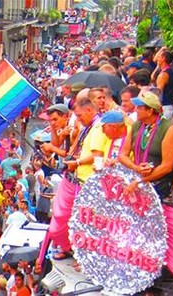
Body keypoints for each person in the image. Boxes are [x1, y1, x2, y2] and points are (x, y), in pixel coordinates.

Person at [45, 98, 109, 261]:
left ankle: (79, 254)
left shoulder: (95, 127)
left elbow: (95, 155)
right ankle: (69, 248)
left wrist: (75, 161)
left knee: (80, 221)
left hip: (85, 181)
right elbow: (66, 148)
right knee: (64, 219)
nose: (78, 119)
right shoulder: (86, 127)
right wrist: (54, 130)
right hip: (75, 178)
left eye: (55, 119)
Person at [119, 91, 173, 201]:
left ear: (150, 111)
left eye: (139, 108)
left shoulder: (169, 129)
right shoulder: (137, 125)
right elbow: (123, 154)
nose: (135, 110)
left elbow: (167, 166)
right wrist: (136, 168)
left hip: (159, 187)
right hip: (136, 182)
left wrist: (141, 180)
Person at [156, 51, 173, 119]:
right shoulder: (169, 71)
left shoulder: (163, 75)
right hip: (170, 105)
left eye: (159, 57)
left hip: (165, 107)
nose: (157, 59)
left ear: (163, 58)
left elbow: (159, 93)